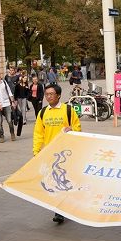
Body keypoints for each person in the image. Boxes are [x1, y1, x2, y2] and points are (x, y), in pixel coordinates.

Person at [33, 84, 81, 223]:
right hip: (50, 153)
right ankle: (58, 210)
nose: (48, 96)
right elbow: (38, 134)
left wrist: (72, 129)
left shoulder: (68, 110)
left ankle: (64, 206)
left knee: (65, 180)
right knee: (54, 181)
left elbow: (77, 127)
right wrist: (36, 151)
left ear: (58, 95)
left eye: (51, 94)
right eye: (47, 94)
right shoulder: (42, 113)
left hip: (66, 153)